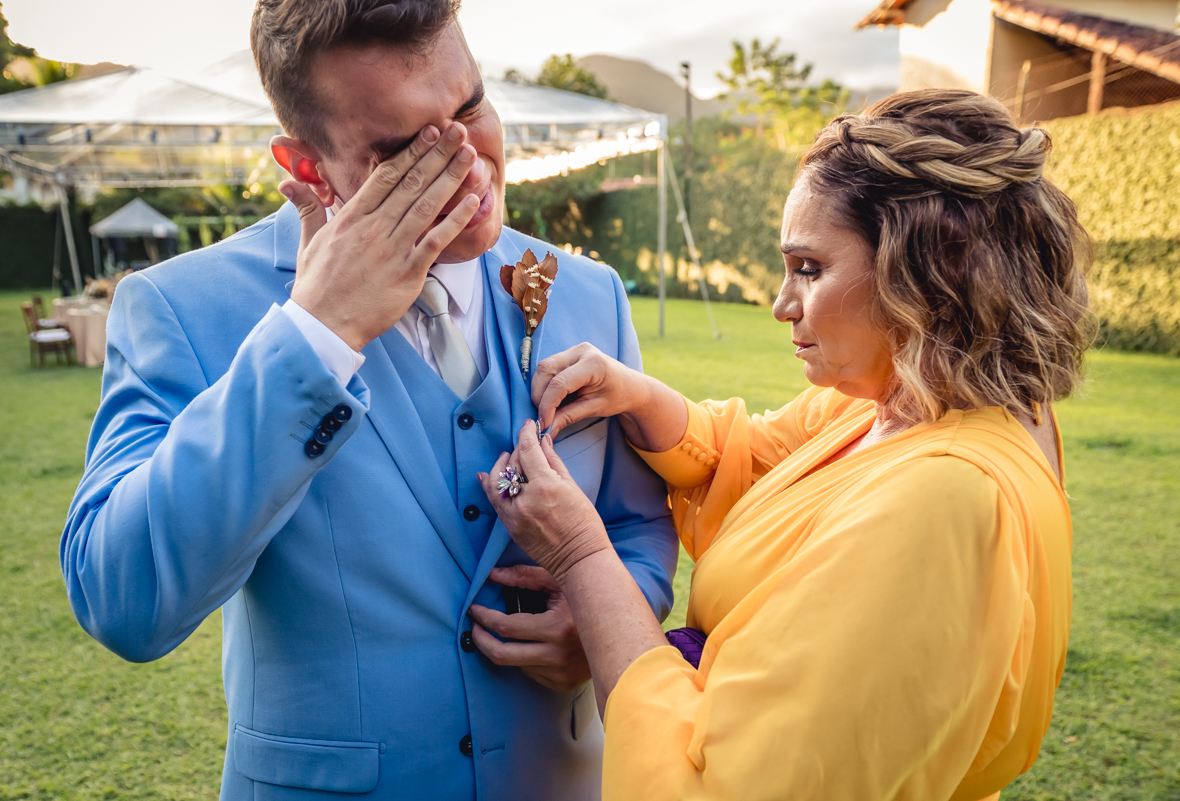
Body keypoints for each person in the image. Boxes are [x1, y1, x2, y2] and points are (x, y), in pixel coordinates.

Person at [59, 2, 677, 799]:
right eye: (404, 151)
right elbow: (121, 599)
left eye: (470, 109)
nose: (467, 167)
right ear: (308, 166)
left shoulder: (590, 293)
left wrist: (604, 617)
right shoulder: (182, 306)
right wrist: (314, 334)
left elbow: (638, 522)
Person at [475, 89, 1090, 801]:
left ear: (926, 271)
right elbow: (759, 463)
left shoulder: (947, 498)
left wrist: (583, 557)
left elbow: (717, 789)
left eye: (809, 268)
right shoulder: (901, 404)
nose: (780, 304)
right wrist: (638, 396)